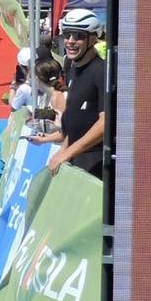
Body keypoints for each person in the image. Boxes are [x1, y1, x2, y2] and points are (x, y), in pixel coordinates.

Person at [35, 9, 107, 179]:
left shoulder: (102, 71)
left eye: (78, 36)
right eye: (67, 35)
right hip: (74, 156)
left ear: (93, 38)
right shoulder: (71, 66)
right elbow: (75, 120)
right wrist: (63, 150)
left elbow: (105, 124)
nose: (71, 41)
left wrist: (67, 153)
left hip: (94, 161)